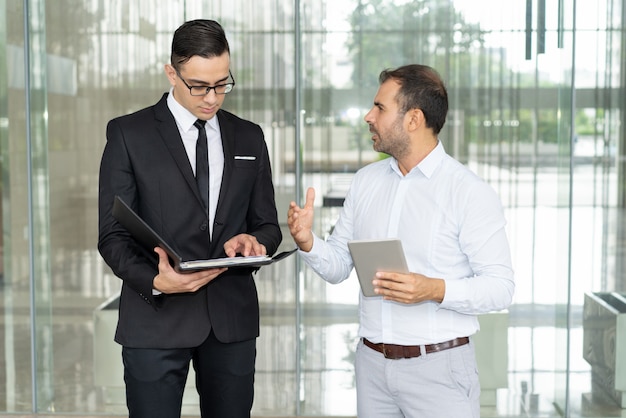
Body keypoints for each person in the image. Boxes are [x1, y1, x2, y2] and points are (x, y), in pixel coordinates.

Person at [287, 64, 514, 418]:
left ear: (413, 119)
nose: (368, 116)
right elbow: (339, 267)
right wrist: (307, 241)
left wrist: (433, 289)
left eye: (380, 108)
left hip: (440, 370)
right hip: (372, 366)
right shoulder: (365, 182)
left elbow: (500, 288)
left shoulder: (469, 192)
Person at [98, 19, 282, 418]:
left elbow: (267, 223)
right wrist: (153, 280)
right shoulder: (129, 134)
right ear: (171, 73)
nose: (212, 97)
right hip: (155, 320)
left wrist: (256, 242)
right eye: (199, 85)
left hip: (230, 321)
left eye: (222, 83)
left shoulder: (250, 137)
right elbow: (112, 235)